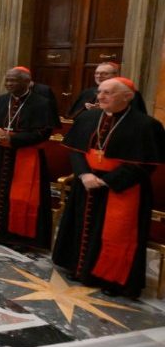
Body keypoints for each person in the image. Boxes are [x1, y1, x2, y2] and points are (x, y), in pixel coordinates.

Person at [53, 77, 165, 298]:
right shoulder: (88, 117)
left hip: (122, 188)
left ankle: (111, 279)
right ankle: (80, 269)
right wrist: (84, 174)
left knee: (115, 235)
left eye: (108, 93)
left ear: (128, 96)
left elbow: (146, 165)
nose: (100, 97)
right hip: (86, 184)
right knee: (83, 228)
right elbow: (75, 150)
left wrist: (107, 181)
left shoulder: (146, 125)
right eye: (100, 92)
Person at [0, 67, 54, 249]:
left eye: (13, 80)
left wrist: (13, 138)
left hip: (26, 157)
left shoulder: (42, 103)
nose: (8, 84)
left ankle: (18, 237)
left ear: (26, 81)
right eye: (7, 80)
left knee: (22, 197)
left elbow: (44, 132)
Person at [68, 62, 147, 118]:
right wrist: (87, 109)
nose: (99, 76)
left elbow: (136, 116)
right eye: (97, 73)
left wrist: (106, 110)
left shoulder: (129, 92)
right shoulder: (87, 92)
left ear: (116, 75)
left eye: (104, 73)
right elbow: (74, 115)